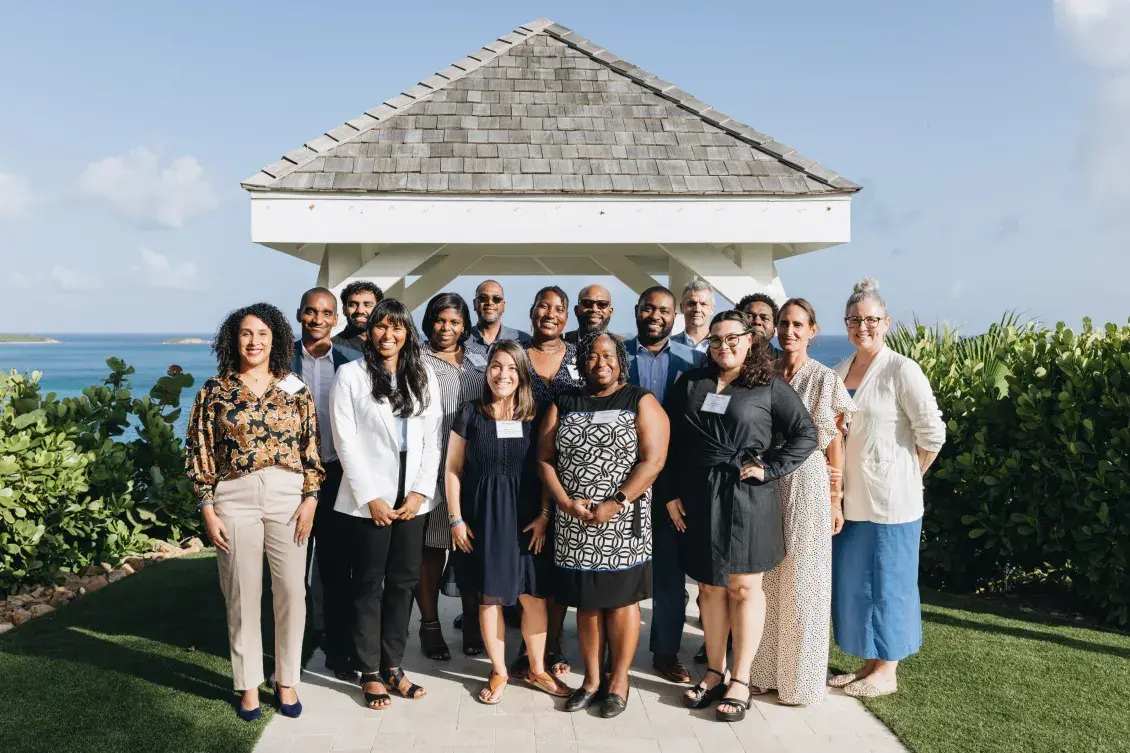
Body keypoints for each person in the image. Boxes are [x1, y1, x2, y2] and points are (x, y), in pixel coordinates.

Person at [660, 310, 817, 723]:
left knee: (745, 588)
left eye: (732, 338)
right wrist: (671, 493)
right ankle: (714, 671)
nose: (723, 346)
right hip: (697, 494)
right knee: (710, 588)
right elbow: (668, 441)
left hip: (749, 498)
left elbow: (806, 433)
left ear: (750, 340)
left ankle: (741, 679)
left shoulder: (769, 386)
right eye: (715, 340)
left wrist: (772, 468)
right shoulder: (691, 383)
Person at [186, 302, 323, 721]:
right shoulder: (215, 391)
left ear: (277, 339)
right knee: (242, 595)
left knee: (291, 595)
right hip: (233, 497)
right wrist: (208, 509)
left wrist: (311, 498)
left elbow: (311, 448)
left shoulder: (295, 387)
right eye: (246, 333)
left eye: (262, 334)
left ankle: (286, 681)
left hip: (288, 496)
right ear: (233, 339)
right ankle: (247, 685)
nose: (254, 341)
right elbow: (198, 452)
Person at [539, 332, 669, 718]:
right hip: (574, 522)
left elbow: (654, 460)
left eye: (608, 355)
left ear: (621, 360)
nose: (601, 362)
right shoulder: (564, 401)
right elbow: (545, 458)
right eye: (592, 356)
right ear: (581, 361)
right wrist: (564, 503)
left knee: (622, 602)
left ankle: (619, 681)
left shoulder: (640, 400)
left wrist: (616, 502)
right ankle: (592, 680)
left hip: (623, 522)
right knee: (587, 604)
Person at [830, 278, 945, 698]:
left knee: (891, 583)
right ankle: (868, 663)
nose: (864, 326)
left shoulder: (902, 369)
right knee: (860, 584)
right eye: (856, 320)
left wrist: (907, 473)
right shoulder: (840, 370)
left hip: (892, 503)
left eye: (872, 320)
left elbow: (932, 433)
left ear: (887, 322)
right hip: (850, 502)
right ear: (846, 324)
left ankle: (889, 670)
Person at [329, 298, 443, 710]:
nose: (388, 334)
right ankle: (370, 671)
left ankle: (393, 665)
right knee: (368, 585)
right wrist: (370, 497)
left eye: (397, 327)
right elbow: (345, 442)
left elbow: (433, 440)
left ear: (407, 332)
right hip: (369, 496)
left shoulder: (423, 373)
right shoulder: (351, 375)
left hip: (411, 494)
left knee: (403, 583)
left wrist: (420, 492)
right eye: (381, 326)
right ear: (370, 331)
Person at [446, 341, 572, 704]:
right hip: (483, 517)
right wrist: (455, 518)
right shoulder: (470, 412)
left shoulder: (539, 413)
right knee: (490, 598)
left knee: (533, 598)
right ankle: (499, 670)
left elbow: (548, 466)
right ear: (487, 371)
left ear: (522, 374)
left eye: (511, 368)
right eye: (496, 367)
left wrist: (545, 515)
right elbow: (453, 469)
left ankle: (536, 669)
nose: (503, 375)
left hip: (527, 518)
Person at [749, 298, 857, 706]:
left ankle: (799, 680)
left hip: (808, 481)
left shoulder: (824, 378)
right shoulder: (766, 373)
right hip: (765, 481)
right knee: (769, 575)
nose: (788, 331)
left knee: (804, 580)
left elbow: (834, 442)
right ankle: (762, 673)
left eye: (797, 325)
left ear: (812, 330)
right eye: (783, 324)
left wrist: (835, 498)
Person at [623, 285, 702, 684]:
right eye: (649, 308)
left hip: (673, 486)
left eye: (665, 311)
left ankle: (666, 651)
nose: (656, 315)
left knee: (669, 572)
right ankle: (612, 649)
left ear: (676, 317)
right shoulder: (615, 356)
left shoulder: (695, 362)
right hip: (620, 480)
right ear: (637, 310)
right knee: (618, 568)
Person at [292, 288, 363, 682]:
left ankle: (339, 649)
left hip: (336, 476)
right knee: (290, 569)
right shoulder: (280, 363)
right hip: (291, 479)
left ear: (336, 319)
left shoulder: (352, 361)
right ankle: (294, 646)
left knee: (338, 570)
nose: (317, 319)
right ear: (300, 314)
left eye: (326, 313)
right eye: (311, 311)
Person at [417, 292, 487, 660]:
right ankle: (429, 625)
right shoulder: (416, 361)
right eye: (440, 320)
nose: (447, 328)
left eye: (455, 322)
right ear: (430, 321)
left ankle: (473, 621)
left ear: (465, 326)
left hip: (473, 470)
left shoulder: (479, 358)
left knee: (470, 550)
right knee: (431, 550)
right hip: (430, 467)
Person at [520, 285, 585, 677]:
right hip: (519, 472)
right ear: (531, 312)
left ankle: (554, 645)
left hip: (570, 474)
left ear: (567, 317)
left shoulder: (580, 358)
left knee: (559, 565)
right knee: (528, 563)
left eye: (558, 308)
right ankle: (529, 647)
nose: (550, 313)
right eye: (543, 305)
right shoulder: (512, 355)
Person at [465, 280, 531, 358]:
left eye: (496, 299)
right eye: (483, 298)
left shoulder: (522, 340)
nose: (490, 302)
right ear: (475, 304)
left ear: (503, 306)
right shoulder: (463, 339)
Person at [332, 281, 383, 351]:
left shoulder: (388, 343)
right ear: (344, 309)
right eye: (353, 305)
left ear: (378, 309)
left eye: (367, 305)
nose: (360, 311)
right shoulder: (332, 348)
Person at [672, 280, 714, 354]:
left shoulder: (721, 347)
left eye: (703, 304)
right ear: (682, 307)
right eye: (691, 303)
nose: (697, 309)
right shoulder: (668, 346)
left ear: (712, 309)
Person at [737, 292, 782, 358]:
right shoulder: (721, 358)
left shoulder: (786, 363)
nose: (757, 321)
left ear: (773, 331)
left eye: (765, 318)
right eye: (749, 316)